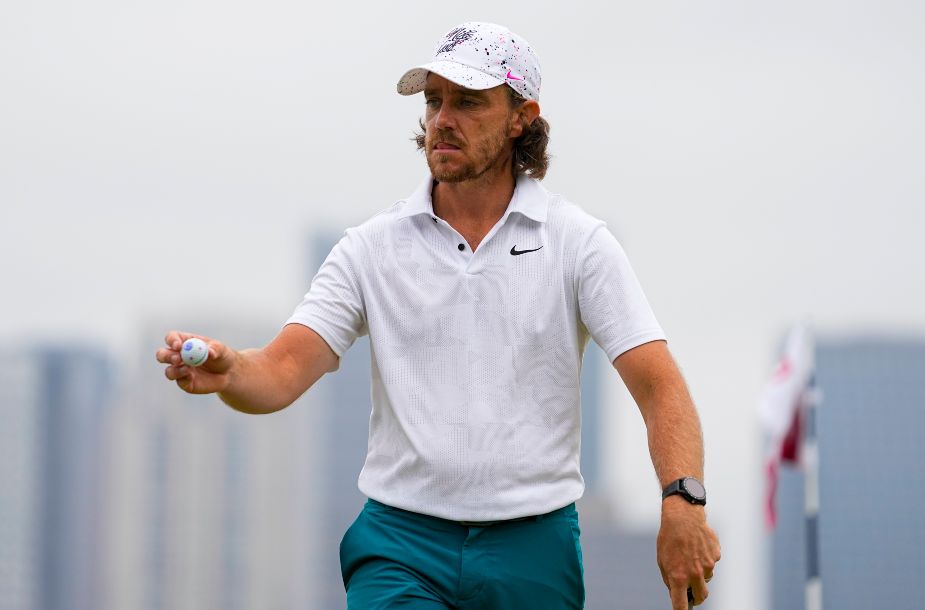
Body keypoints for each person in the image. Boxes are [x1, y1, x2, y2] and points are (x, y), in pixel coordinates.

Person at [156, 21, 720, 610]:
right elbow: (278, 371)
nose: (441, 119)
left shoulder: (579, 244)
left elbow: (660, 387)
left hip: (534, 546)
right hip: (400, 544)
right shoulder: (369, 247)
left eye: (468, 101)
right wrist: (230, 373)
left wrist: (682, 502)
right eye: (433, 100)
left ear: (521, 116)